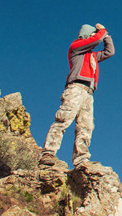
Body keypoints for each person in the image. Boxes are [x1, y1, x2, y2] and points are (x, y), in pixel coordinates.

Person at [39, 23, 115, 168]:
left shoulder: (92, 55)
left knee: (86, 126)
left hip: (88, 92)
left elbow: (109, 52)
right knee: (63, 119)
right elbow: (96, 40)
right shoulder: (77, 46)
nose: (95, 37)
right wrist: (102, 31)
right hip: (76, 88)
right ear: (86, 35)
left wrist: (107, 35)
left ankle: (81, 159)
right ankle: (48, 153)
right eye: (93, 34)